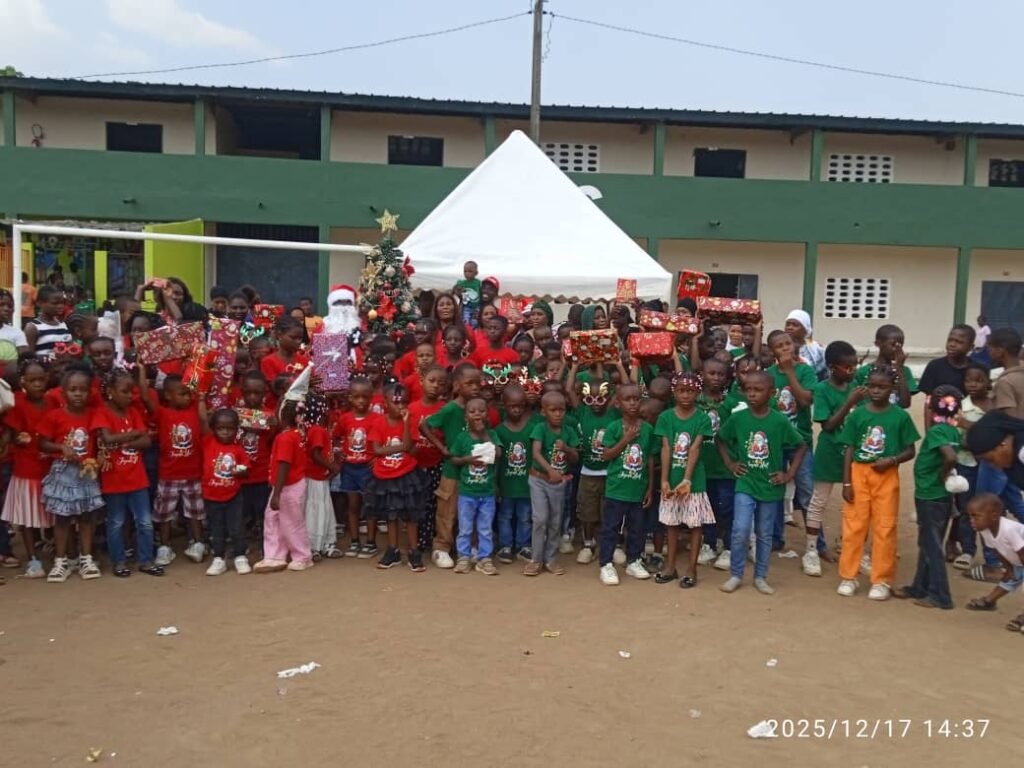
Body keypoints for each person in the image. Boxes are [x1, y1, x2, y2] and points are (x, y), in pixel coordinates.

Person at [717, 371, 807, 595]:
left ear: (772, 393)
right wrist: (730, 463)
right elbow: (720, 438)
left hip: (770, 485)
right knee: (740, 529)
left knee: (765, 533)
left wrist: (788, 475)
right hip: (745, 483)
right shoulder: (738, 418)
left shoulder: (779, 420)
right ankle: (736, 574)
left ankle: (760, 576)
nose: (752, 394)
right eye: (748, 390)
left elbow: (801, 446)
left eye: (758, 390)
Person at [837, 365, 921, 601]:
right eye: (872, 386)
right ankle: (849, 576)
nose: (876, 391)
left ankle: (881, 579)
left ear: (891, 388)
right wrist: (846, 483)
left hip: (886, 475)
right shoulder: (858, 414)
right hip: (859, 473)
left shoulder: (900, 416)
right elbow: (849, 448)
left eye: (882, 387)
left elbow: (910, 450)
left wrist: (892, 460)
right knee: (854, 526)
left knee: (885, 527)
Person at [893, 387, 961, 609]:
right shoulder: (952, 430)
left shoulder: (938, 431)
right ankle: (919, 586)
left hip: (931, 495)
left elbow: (949, 456)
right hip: (939, 496)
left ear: (932, 407)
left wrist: (943, 473)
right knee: (928, 543)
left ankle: (940, 596)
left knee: (931, 546)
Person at [803, 341, 865, 577]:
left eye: (855, 366)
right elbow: (827, 424)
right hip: (830, 452)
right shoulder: (822, 389)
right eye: (847, 368)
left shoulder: (857, 385)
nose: (852, 371)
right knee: (819, 500)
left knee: (856, 502)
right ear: (832, 367)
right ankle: (811, 550)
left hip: (856, 453)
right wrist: (849, 402)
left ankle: (848, 545)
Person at [37, 366, 105, 582]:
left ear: (89, 393)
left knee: (87, 517)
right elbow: (42, 443)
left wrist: (102, 457)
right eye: (73, 389)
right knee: (62, 519)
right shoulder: (54, 416)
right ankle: (61, 561)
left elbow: (101, 441)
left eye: (82, 390)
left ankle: (86, 558)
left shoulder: (94, 415)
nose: (78, 394)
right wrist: (60, 448)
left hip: (87, 472)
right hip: (63, 473)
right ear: (63, 392)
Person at [93, 368, 160, 578]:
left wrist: (124, 439)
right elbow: (106, 439)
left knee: (145, 522)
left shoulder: (133, 412)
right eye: (125, 391)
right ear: (111, 391)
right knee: (116, 523)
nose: (130, 395)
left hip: (137, 478)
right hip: (114, 480)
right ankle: (119, 561)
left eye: (132, 391)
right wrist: (134, 434)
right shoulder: (102, 413)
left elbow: (147, 441)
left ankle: (145, 560)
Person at [138, 369, 205, 565]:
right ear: (168, 395)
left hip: (193, 474)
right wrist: (142, 370)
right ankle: (165, 546)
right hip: (168, 475)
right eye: (182, 393)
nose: (187, 397)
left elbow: (203, 419)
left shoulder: (193, 410)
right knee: (164, 513)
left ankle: (198, 543)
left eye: (188, 393)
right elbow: (144, 396)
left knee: (195, 512)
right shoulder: (162, 413)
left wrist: (200, 396)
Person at [655, 372, 714, 587]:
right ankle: (670, 566)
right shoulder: (665, 418)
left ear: (697, 392)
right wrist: (664, 481)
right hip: (671, 480)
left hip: (694, 482)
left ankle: (692, 569)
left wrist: (687, 480)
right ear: (674, 392)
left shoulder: (702, 418)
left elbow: (695, 449)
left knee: (695, 525)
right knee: (671, 524)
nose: (686, 395)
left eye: (690, 391)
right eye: (681, 391)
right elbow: (666, 448)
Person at [421, 362, 481, 568]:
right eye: (469, 383)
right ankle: (441, 548)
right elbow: (425, 425)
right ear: (456, 386)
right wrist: (442, 448)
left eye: (477, 383)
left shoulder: (480, 409)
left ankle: (472, 547)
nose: (475, 387)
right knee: (447, 511)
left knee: (473, 510)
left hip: (474, 471)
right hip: (452, 471)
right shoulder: (450, 409)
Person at [765, 329, 818, 552]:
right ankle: (776, 538)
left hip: (800, 442)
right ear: (772, 351)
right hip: (775, 444)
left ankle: (816, 543)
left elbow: (805, 401)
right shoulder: (768, 374)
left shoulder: (805, 371)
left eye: (788, 343)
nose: (786, 348)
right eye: (780, 346)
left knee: (807, 492)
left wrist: (789, 372)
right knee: (775, 491)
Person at [365, 383, 427, 571]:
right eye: (396, 402)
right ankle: (392, 550)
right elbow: (376, 449)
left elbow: (409, 445)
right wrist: (400, 448)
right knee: (391, 516)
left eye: (405, 403)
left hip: (407, 474)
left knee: (411, 516)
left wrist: (407, 423)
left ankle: (414, 551)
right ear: (385, 403)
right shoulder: (378, 422)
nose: (401, 407)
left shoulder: (411, 421)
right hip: (385, 476)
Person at [598, 382, 655, 585]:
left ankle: (634, 561)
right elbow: (606, 455)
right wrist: (626, 439)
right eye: (627, 399)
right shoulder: (614, 427)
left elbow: (649, 458)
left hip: (637, 489)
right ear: (617, 403)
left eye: (636, 399)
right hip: (616, 489)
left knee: (637, 527)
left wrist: (649, 487)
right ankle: (606, 564)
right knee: (610, 528)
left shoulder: (647, 429)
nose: (632, 403)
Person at [1, 359, 53, 578]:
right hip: (26, 470)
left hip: (51, 469)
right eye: (32, 380)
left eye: (41, 379)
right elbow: (10, 434)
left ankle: (60, 554)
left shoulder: (53, 402)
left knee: (55, 516)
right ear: (23, 381)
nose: (37, 384)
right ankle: (33, 559)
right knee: (27, 518)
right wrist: (13, 441)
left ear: (47, 379)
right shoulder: (18, 403)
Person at [567, 361, 622, 565]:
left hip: (610, 472)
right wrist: (573, 366)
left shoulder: (613, 412)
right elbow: (568, 389)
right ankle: (588, 544)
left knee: (610, 512)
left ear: (608, 398)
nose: (596, 402)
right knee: (587, 512)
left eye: (601, 398)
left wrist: (618, 365)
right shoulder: (582, 411)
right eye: (590, 398)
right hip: (588, 472)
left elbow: (625, 387)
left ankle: (612, 544)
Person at [524, 390, 579, 576]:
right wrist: (550, 471)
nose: (557, 414)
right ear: (543, 412)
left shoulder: (568, 431)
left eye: (561, 410)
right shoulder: (540, 428)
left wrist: (567, 448)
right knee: (540, 519)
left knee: (556, 521)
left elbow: (575, 457)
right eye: (553, 410)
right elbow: (536, 452)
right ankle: (536, 559)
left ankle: (551, 559)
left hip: (559, 484)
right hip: (539, 479)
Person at [254, 400, 313, 573]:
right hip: (287, 485)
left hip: (288, 486)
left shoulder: (286, 437)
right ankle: (274, 556)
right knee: (273, 519)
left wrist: (277, 493)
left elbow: (284, 464)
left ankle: (302, 556)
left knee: (292, 522)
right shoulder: (297, 433)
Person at [449, 397, 502, 575]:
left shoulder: (492, 435)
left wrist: (484, 434)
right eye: (472, 411)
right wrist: (467, 460)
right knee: (465, 527)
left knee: (485, 528)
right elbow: (454, 458)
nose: (477, 414)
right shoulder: (462, 438)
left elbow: (499, 453)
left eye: (481, 411)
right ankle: (463, 557)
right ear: (466, 417)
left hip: (487, 493)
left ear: (487, 415)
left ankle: (484, 558)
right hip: (467, 493)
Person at [950, 362, 992, 568]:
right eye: (968, 380)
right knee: (968, 508)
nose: (973, 384)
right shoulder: (962, 407)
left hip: (992, 465)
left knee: (992, 507)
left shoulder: (995, 406)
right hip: (966, 463)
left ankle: (993, 555)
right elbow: (962, 440)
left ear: (988, 382)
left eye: (978, 380)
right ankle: (967, 550)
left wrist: (970, 427)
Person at [698, 357, 738, 571]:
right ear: (702, 375)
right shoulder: (695, 401)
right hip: (702, 466)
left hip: (725, 467)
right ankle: (709, 544)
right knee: (707, 508)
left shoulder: (732, 403)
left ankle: (730, 548)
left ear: (727, 377)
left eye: (720, 374)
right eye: (711, 373)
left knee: (727, 508)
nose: (715, 378)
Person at [963, 493, 1024, 631]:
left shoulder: (1009, 530)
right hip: (1019, 561)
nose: (971, 521)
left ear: (994, 516)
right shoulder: (984, 530)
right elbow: (997, 549)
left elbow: (1022, 551)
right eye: (970, 516)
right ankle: (989, 601)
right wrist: (1008, 568)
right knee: (1009, 579)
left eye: (976, 516)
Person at [201, 408, 251, 576]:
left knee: (236, 528)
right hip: (211, 496)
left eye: (229, 428)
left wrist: (241, 471)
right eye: (220, 428)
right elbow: (202, 420)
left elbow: (246, 469)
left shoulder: (238, 450)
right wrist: (201, 398)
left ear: (236, 430)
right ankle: (218, 558)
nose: (224, 432)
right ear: (213, 428)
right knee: (216, 529)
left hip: (233, 496)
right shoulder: (207, 442)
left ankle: (240, 556)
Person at [336, 376, 381, 557]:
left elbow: (383, 440)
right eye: (356, 397)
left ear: (371, 397)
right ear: (350, 397)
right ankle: (355, 541)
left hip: (368, 469)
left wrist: (377, 459)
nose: (361, 401)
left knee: (370, 506)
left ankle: (371, 542)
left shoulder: (377, 419)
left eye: (365, 397)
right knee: (352, 506)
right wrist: (337, 453)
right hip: (349, 468)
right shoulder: (345, 419)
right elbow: (335, 437)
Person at [494, 383, 534, 564]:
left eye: (520, 406)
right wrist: (496, 484)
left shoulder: (532, 428)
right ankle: (505, 546)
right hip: (506, 485)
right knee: (505, 517)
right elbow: (497, 461)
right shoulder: (499, 431)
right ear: (504, 406)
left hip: (526, 485)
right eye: (512, 406)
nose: (516, 410)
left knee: (525, 517)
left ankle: (524, 545)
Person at [408, 365, 447, 553]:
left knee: (434, 503)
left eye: (441, 383)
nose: (436, 386)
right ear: (422, 380)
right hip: (415, 464)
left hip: (437, 463)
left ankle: (432, 539)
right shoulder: (412, 408)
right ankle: (417, 542)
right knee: (417, 503)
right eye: (432, 381)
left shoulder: (445, 409)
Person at [303, 393, 340, 560]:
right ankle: (315, 546)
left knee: (321, 510)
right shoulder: (317, 430)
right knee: (317, 511)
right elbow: (315, 454)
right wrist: (333, 466)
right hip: (315, 477)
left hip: (320, 476)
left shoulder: (314, 429)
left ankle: (323, 544)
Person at [918, 325, 975, 422]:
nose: (952, 344)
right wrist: (929, 433)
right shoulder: (935, 366)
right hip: (940, 427)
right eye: (950, 340)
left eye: (959, 342)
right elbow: (929, 402)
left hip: (967, 425)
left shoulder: (977, 370)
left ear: (970, 347)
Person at [854, 324, 915, 409]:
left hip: (894, 420)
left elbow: (905, 404)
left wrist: (899, 369)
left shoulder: (904, 371)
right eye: (893, 345)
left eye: (900, 346)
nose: (897, 350)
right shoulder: (863, 372)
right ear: (878, 343)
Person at [25, 285, 72, 359]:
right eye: (55, 303)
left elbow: (69, 349)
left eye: (62, 303)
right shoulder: (33, 327)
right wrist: (53, 356)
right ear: (40, 303)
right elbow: (29, 357)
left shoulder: (63, 325)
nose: (60, 306)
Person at [261, 316, 309, 383]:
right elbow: (277, 389)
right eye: (293, 338)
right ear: (280, 335)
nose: (298, 341)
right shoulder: (268, 362)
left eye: (300, 338)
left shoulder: (304, 361)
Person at [784, 309, 826, 380]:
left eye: (795, 325)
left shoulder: (817, 349)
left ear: (805, 329)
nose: (789, 327)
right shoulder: (779, 347)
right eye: (787, 324)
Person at [455, 260, 482, 329]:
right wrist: (459, 289)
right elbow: (456, 289)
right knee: (466, 320)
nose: (467, 273)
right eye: (465, 271)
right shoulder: (462, 283)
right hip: (467, 306)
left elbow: (481, 292)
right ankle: (467, 331)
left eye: (470, 271)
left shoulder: (478, 282)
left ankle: (474, 330)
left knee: (475, 321)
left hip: (477, 306)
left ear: (476, 273)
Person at [0, 289, 28, 355]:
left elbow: (24, 360)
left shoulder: (17, 333)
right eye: (1, 304)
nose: (6, 309)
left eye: (10, 306)